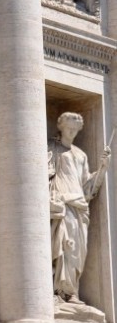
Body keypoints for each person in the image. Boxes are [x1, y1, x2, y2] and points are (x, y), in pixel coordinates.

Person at [48, 112, 111, 303]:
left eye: (75, 129)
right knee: (64, 245)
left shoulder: (81, 155)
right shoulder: (52, 148)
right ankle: (59, 290)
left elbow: (88, 188)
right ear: (60, 126)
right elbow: (45, 173)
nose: (72, 132)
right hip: (63, 202)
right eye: (69, 128)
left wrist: (103, 168)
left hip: (79, 205)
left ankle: (71, 290)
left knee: (77, 251)